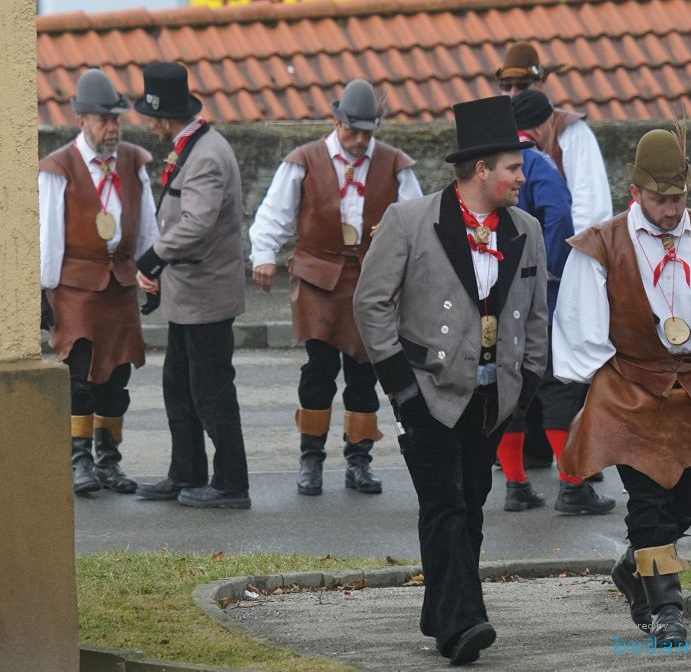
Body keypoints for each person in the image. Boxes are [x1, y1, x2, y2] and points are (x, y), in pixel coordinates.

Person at [354, 95, 548, 665]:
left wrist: (526, 386)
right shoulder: (409, 220)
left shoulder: (527, 229)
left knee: (473, 501)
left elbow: (536, 314)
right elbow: (371, 305)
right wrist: (403, 391)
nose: (522, 175)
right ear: (481, 169)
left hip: (495, 398)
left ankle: (440, 613)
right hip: (428, 393)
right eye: (513, 167)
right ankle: (466, 624)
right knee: (446, 506)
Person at [553, 124, 691, 646]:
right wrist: (603, 379)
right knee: (648, 502)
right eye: (659, 198)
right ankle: (666, 608)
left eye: (678, 197)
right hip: (631, 388)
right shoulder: (601, 244)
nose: (670, 209)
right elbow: (581, 324)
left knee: (682, 501)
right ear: (634, 194)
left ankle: (632, 566)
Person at [249, 79, 422, 496]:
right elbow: (274, 212)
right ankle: (311, 459)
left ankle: (358, 460)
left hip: (370, 280)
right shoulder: (303, 160)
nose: (360, 139)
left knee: (364, 373)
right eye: (352, 130)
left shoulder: (396, 165)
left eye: (368, 131)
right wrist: (264, 255)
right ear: (336, 121)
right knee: (319, 372)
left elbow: (418, 223)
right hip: (317, 277)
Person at [132, 61, 251, 509]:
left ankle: (231, 484)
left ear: (164, 118)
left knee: (211, 390)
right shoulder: (193, 146)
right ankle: (186, 471)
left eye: (151, 116)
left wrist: (154, 256)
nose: (149, 124)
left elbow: (197, 223)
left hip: (206, 294)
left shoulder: (205, 155)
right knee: (178, 386)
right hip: (189, 292)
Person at [39, 69, 159, 495]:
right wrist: (44, 289)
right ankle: (79, 461)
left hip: (120, 284)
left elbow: (148, 226)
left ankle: (109, 460)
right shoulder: (59, 168)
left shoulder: (134, 162)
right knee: (80, 377)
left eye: (116, 120)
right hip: (75, 286)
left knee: (117, 378)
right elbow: (48, 234)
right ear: (81, 122)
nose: (112, 128)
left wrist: (150, 272)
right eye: (103, 120)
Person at [495, 89, 614, 515]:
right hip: (540, 294)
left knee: (510, 385)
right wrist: (550, 265)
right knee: (558, 382)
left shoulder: (491, 167)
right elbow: (560, 213)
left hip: (498, 293)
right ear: (543, 126)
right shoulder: (538, 162)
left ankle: (515, 483)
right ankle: (572, 484)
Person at [495, 41, 612, 235]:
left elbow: (590, 208)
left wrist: (571, 257)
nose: (513, 93)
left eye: (522, 85)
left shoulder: (572, 131)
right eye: (506, 86)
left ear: (540, 84)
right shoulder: (495, 134)